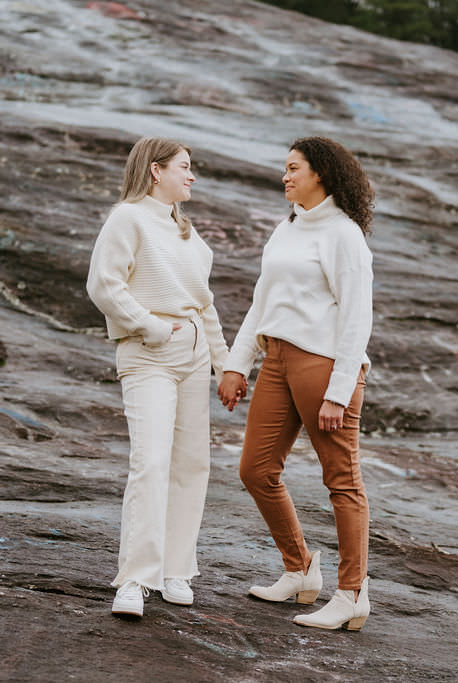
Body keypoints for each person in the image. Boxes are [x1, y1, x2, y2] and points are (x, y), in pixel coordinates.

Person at [217, 136, 374, 631]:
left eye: (293, 168)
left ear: (321, 174)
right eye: (284, 169)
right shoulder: (285, 229)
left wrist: (338, 390)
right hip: (278, 361)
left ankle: (351, 594)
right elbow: (263, 302)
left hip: (323, 366)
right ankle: (301, 568)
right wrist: (237, 363)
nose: (284, 176)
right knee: (256, 469)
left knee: (341, 480)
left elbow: (356, 317)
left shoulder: (344, 235)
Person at [87, 136, 238, 618]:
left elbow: (205, 303)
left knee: (192, 464)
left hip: (193, 355)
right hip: (148, 353)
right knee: (150, 462)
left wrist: (225, 364)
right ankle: (134, 580)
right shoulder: (127, 219)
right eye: (185, 167)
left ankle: (176, 569)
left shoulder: (189, 235)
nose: (192, 176)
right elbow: (103, 285)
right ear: (156, 170)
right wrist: (150, 327)